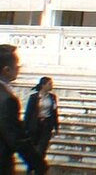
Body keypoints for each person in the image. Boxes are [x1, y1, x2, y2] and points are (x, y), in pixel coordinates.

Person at [0, 44, 47, 174]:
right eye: (17, 65)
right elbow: (15, 137)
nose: (19, 68)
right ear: (7, 70)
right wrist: (38, 164)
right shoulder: (7, 99)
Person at [23, 77, 59, 161]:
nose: (51, 86)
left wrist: (56, 125)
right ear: (43, 85)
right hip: (35, 124)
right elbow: (29, 112)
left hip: (47, 124)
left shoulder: (52, 97)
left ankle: (38, 165)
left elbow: (54, 111)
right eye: (49, 84)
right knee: (34, 146)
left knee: (42, 147)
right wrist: (25, 127)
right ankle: (33, 165)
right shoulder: (34, 97)